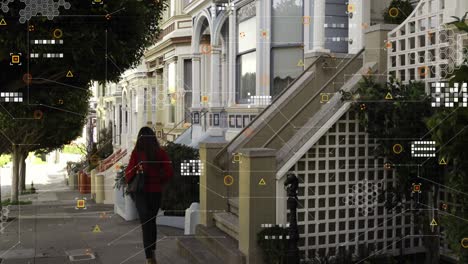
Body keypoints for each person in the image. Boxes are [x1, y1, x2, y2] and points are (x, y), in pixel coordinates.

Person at [125, 127, 174, 264]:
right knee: (151, 222)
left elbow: (128, 174)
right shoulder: (160, 153)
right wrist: (158, 179)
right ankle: (151, 252)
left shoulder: (137, 154)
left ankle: (149, 257)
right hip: (155, 193)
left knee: (145, 224)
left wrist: (137, 172)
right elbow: (169, 172)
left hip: (141, 193)